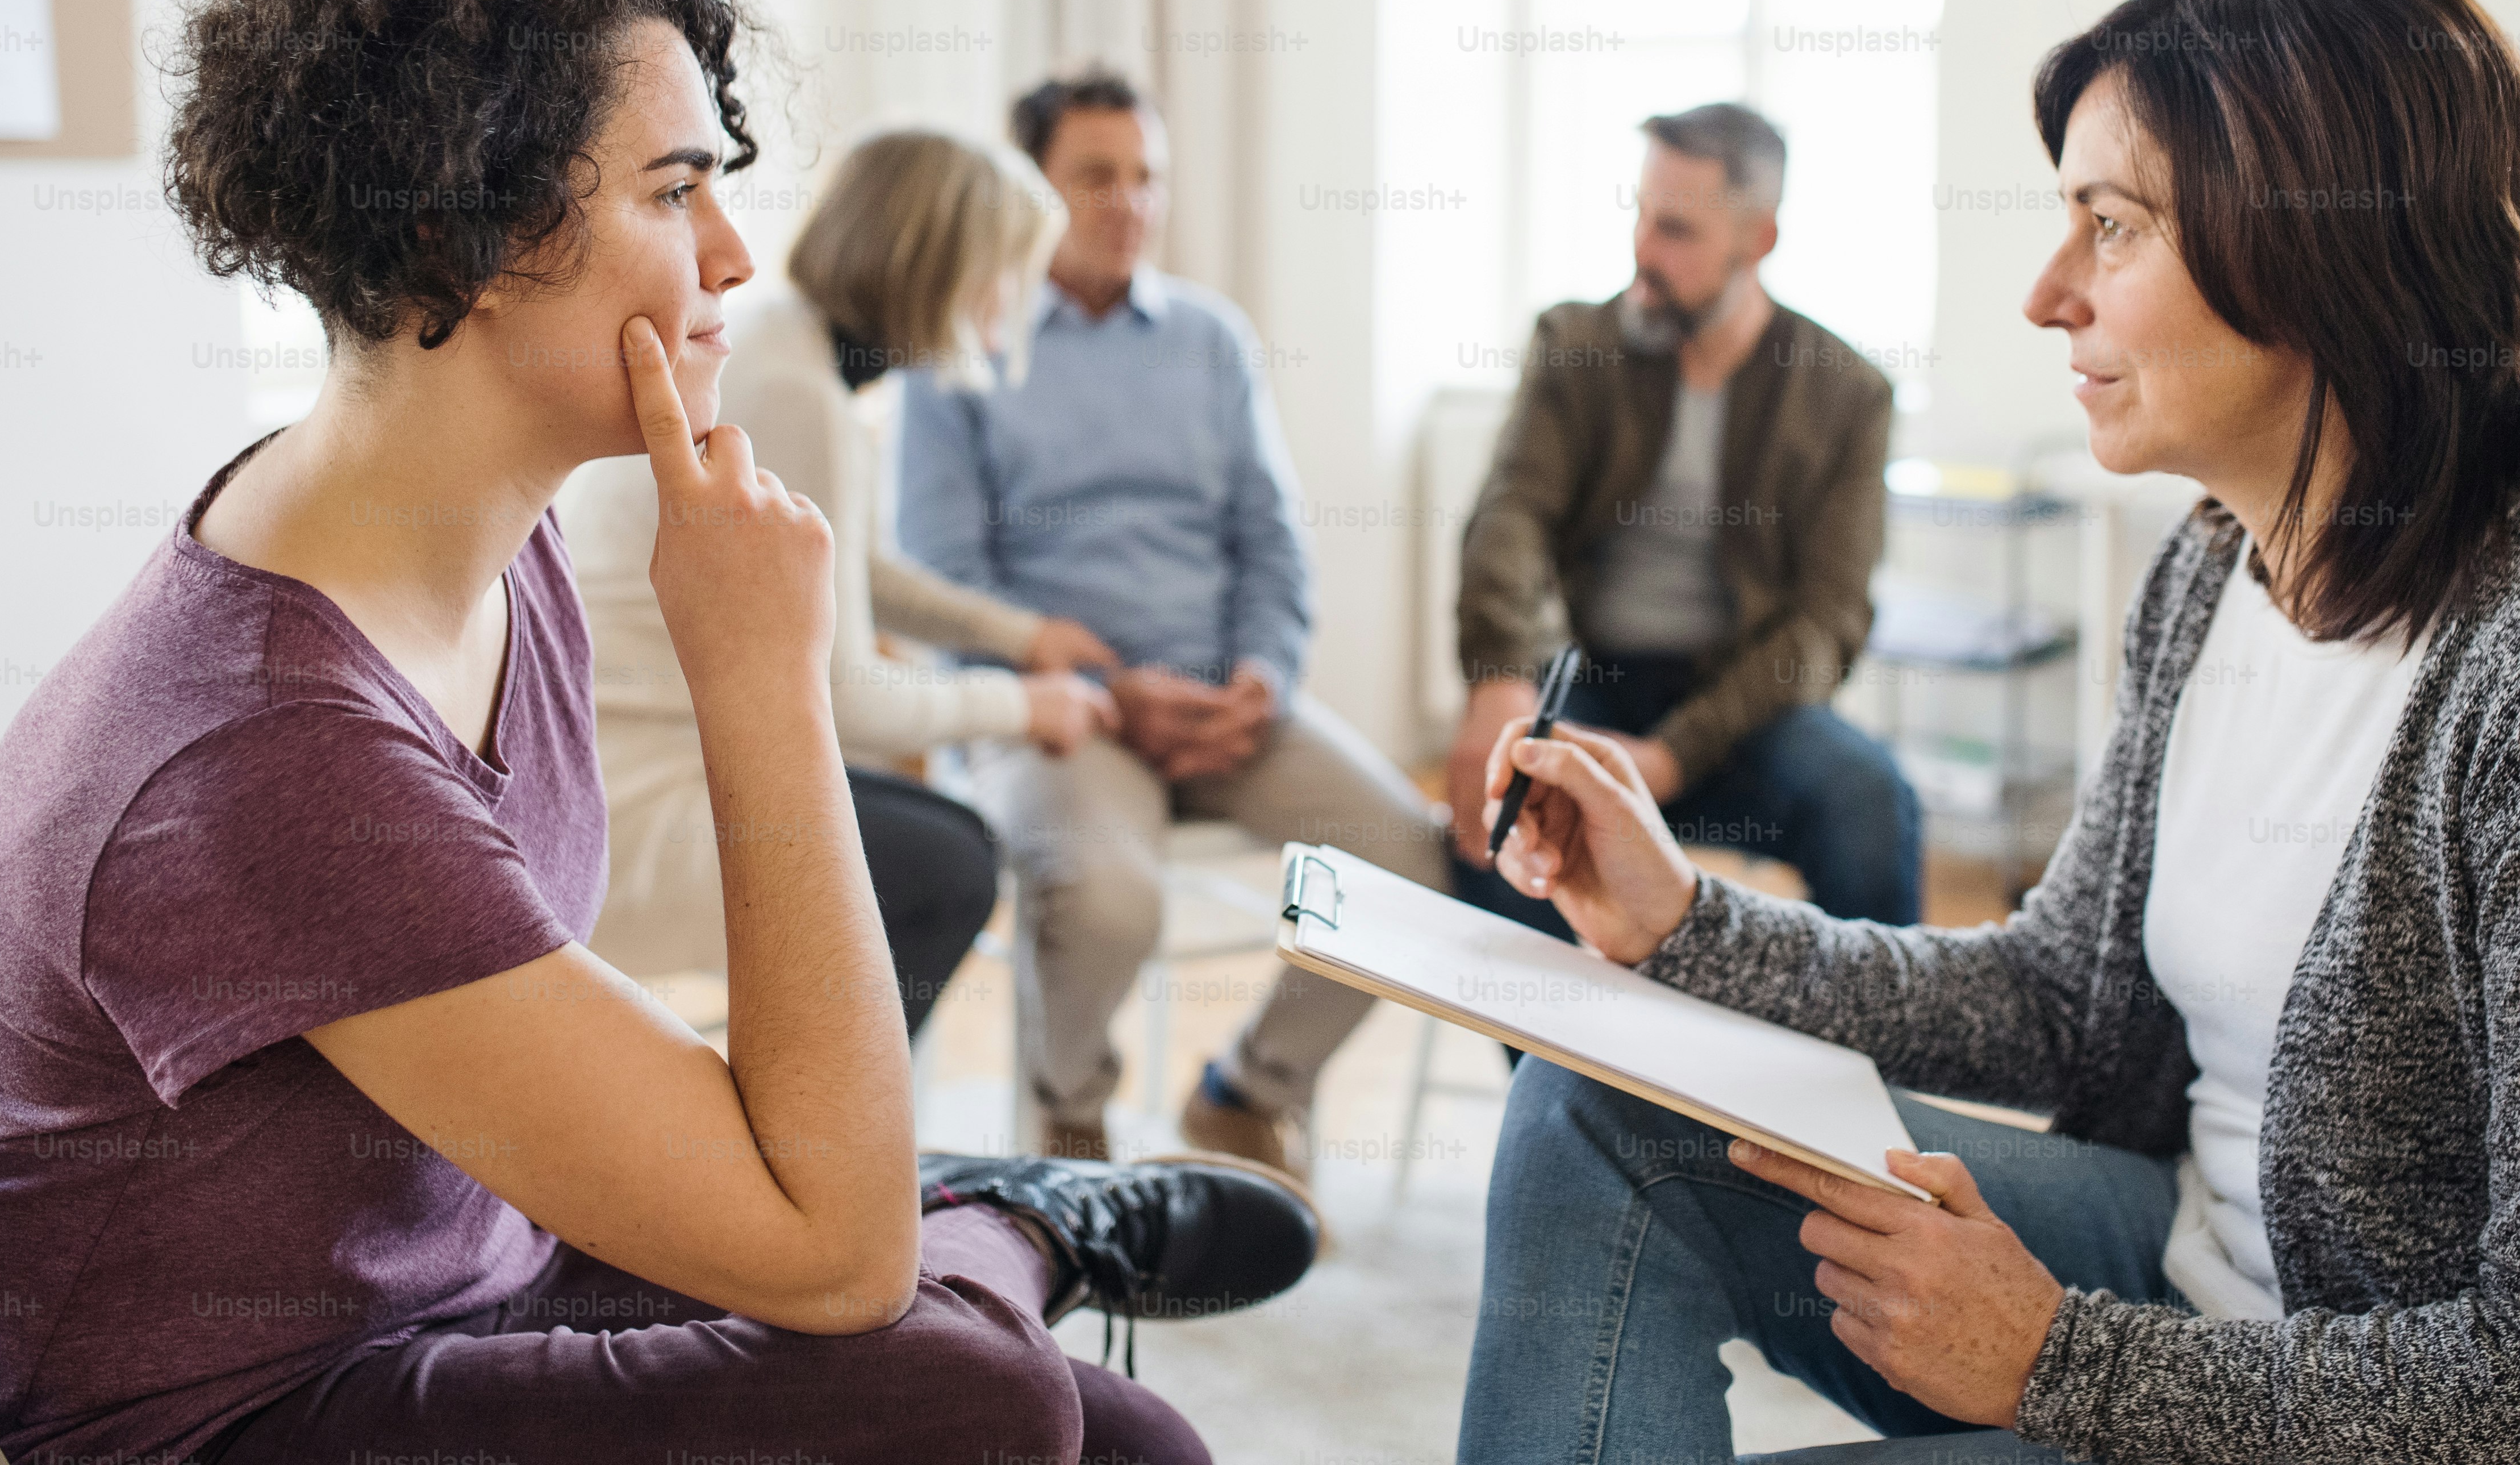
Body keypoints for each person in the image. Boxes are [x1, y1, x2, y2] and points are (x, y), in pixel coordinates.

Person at [0, 0, 1314, 1465]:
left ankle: (980, 1219)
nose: (732, 255)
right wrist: (765, 682)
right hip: (218, 1418)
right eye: (671, 191)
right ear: (468, 243)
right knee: (974, 1391)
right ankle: (1011, 1225)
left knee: (1127, 1442)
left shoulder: (497, 556)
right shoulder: (262, 754)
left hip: (454, 1279)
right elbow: (836, 1261)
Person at [1454, 0, 2520, 1464]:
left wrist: (2057, 1361)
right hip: (2207, 1295)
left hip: (2377, 1412)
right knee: (1590, 1115)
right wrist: (1682, 928)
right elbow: (2070, 1003)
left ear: (2311, 250)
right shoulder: (2220, 567)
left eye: (2108, 228)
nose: (2047, 294)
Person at [898, 68, 1452, 1173]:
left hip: (1222, 704)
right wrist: (1106, 696)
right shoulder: (959, 346)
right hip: (1060, 714)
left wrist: (1265, 674)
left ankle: (1248, 1089)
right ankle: (1067, 1111)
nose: (1129, 201)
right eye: (1095, 175)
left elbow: (1272, 538)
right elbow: (942, 583)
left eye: (1146, 175)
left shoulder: (1211, 339)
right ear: (1029, 188)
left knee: (1408, 863)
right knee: (1110, 898)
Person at [562, 128, 1124, 1035]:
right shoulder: (799, 395)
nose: (1009, 301)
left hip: (660, 757)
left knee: (957, 836)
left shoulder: (785, 347)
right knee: (950, 872)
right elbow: (852, 702)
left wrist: (1019, 639)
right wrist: (1027, 705)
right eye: (1002, 273)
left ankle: (827, 1120)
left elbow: (846, 563)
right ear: (941, 270)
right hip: (638, 805)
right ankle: (824, 1138)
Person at [1445, 101, 1924, 939]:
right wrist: (1497, 679)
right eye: (1640, 215)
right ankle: (1577, 1073)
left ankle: (1865, 1071)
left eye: (1677, 230)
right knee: (1508, 817)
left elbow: (1827, 621)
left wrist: (1673, 756)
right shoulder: (1576, 346)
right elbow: (1512, 514)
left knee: (1871, 802)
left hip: (1744, 707)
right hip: (1594, 680)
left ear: (1759, 239)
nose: (1644, 251)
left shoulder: (1846, 396)